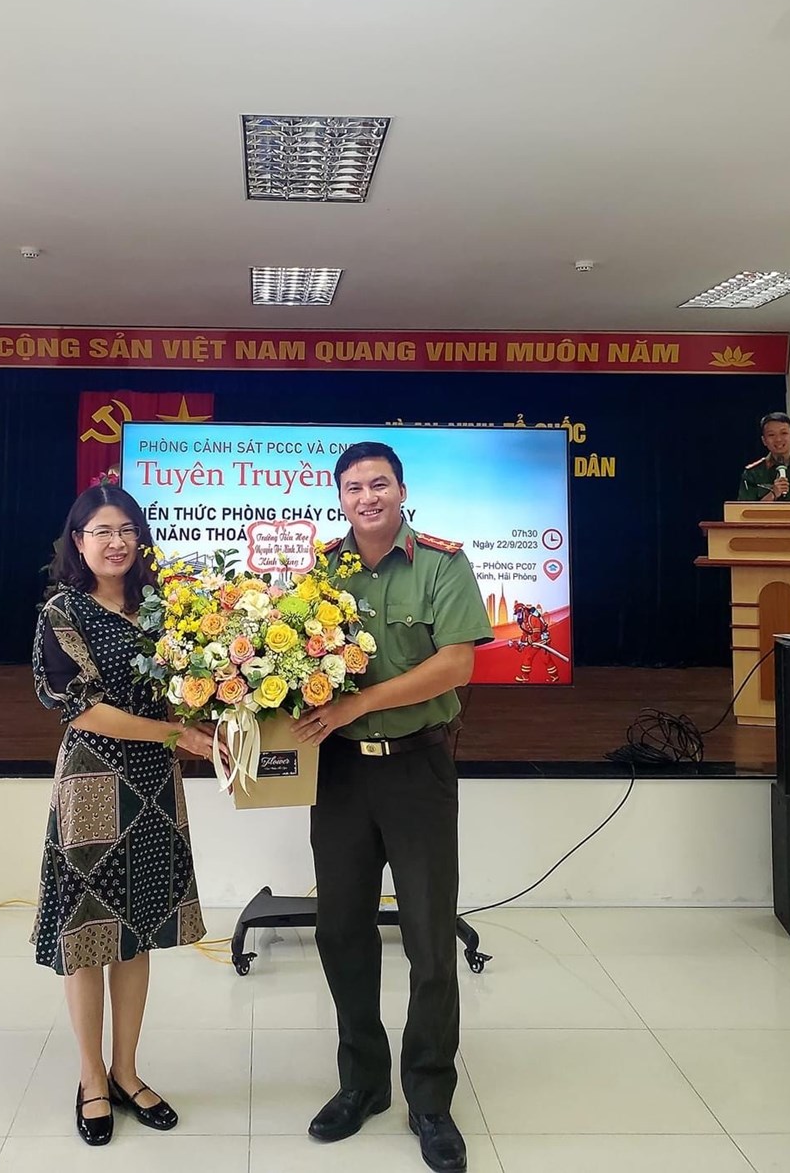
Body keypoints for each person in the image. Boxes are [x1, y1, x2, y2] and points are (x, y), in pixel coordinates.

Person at [296, 442, 492, 1173]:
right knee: (341, 930)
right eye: (353, 487)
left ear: (402, 490)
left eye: (379, 483)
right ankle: (362, 1082)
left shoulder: (442, 563)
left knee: (430, 939)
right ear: (340, 499)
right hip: (341, 775)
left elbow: (456, 663)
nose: (367, 497)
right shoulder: (322, 571)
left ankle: (430, 1098)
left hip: (418, 768)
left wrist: (359, 702)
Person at [31, 482, 214, 1146]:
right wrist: (177, 734)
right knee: (89, 935)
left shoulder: (161, 608)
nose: (115, 542)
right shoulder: (63, 611)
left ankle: (127, 1071)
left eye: (126, 529)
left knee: (136, 931)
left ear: (140, 538)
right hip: (93, 785)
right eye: (101, 531)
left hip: (154, 786)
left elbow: (187, 689)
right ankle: (91, 1078)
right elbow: (81, 709)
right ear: (78, 541)